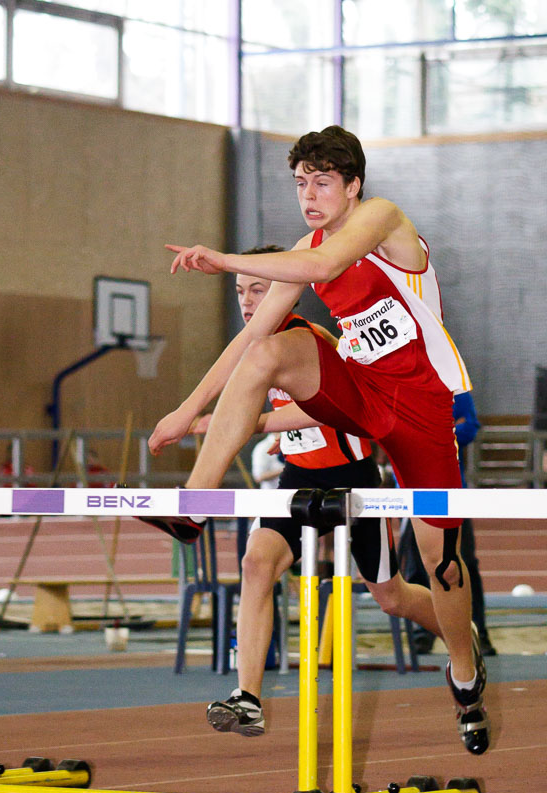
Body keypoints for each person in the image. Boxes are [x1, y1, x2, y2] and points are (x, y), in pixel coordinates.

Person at [149, 125, 490, 756]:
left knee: (440, 562)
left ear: (353, 186)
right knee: (269, 350)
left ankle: (465, 674)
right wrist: (185, 408)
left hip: (420, 407)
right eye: (301, 183)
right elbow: (249, 339)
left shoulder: (383, 219)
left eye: (323, 182)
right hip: (360, 391)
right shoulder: (306, 244)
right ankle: (195, 503)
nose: (309, 195)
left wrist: (224, 259)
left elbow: (325, 264)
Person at [197, 248, 442, 737]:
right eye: (240, 291)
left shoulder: (309, 340)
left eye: (258, 289)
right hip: (297, 478)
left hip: (352, 479)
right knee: (255, 563)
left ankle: (460, 635)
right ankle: (248, 697)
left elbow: (332, 410)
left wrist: (254, 421)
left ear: (283, 290)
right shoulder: (251, 348)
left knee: (390, 596)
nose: (247, 302)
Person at [399, 391, 497, 657]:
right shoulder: (391, 378)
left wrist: (434, 434)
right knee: (418, 566)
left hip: (451, 489)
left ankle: (479, 632)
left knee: (464, 564)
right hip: (410, 492)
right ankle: (423, 634)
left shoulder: (453, 384)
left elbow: (470, 426)